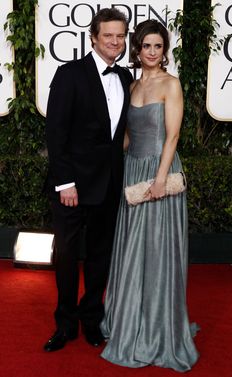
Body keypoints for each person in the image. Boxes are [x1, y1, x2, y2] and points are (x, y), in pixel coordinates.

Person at [100, 20, 199, 371]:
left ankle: (158, 329)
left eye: (158, 46)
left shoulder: (171, 85)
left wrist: (160, 180)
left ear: (164, 50)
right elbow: (127, 137)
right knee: (131, 250)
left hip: (160, 173)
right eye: (147, 46)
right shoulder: (132, 86)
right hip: (133, 172)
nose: (153, 52)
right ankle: (130, 321)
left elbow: (171, 137)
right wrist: (102, 156)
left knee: (157, 251)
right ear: (137, 49)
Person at [44, 8, 133, 352]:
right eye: (109, 35)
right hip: (72, 188)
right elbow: (56, 130)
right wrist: (65, 182)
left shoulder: (125, 77)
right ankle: (65, 323)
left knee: (100, 257)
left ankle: (91, 320)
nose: (115, 41)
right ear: (93, 37)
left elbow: (122, 134)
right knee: (66, 255)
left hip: (108, 185)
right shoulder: (70, 74)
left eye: (121, 36)